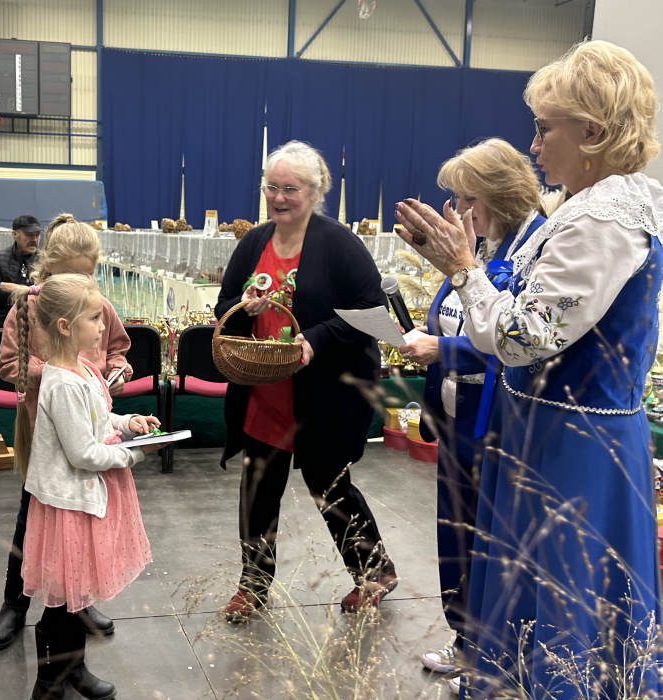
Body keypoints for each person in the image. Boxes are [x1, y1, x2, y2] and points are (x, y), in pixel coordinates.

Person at [395, 40, 663, 698]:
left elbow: (521, 336)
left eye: (545, 128)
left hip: (571, 446)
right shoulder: (591, 205)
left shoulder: (602, 219)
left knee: (561, 598)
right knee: (539, 595)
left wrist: (463, 271)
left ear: (592, 133)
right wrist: (460, 268)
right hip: (555, 432)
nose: (535, 146)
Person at [215, 140, 396, 623]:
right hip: (264, 391)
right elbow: (224, 305)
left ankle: (375, 572)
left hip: (324, 395)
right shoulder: (254, 242)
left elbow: (372, 313)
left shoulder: (338, 243)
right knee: (257, 491)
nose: (279, 197)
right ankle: (253, 585)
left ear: (316, 192)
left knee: (329, 487)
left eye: (290, 189)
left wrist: (315, 338)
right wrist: (243, 311)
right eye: (271, 187)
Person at [398, 139, 546, 694]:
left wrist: (443, 349)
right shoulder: (478, 247)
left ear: (499, 195)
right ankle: (465, 639)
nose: (460, 211)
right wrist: (428, 333)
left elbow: (518, 341)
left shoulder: (533, 247)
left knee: (491, 543)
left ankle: (497, 651)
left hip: (498, 422)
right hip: (454, 417)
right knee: (455, 535)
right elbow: (456, 315)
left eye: (467, 198)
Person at [0, 214, 134, 651]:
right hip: (44, 434)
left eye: (87, 276)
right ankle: (15, 604)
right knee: (31, 519)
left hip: (91, 433)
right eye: (71, 275)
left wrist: (117, 370)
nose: (81, 284)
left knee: (84, 523)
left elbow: (118, 349)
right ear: (48, 266)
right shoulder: (30, 308)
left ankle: (79, 601)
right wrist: (58, 374)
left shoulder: (98, 306)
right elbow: (7, 364)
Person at [19, 273, 165, 700]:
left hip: (83, 499)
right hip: (70, 504)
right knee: (63, 604)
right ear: (66, 326)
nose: (103, 326)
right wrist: (136, 455)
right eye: (95, 318)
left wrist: (128, 423)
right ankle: (49, 682)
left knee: (76, 597)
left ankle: (74, 669)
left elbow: (99, 417)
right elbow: (83, 452)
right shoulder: (62, 382)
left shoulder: (81, 368)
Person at [0, 214, 43, 330]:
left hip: (33, 326)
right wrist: (32, 291)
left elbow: (48, 294)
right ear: (14, 234)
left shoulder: (44, 261)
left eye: (37, 235)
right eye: (29, 235)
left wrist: (15, 288)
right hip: (0, 327)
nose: (34, 239)